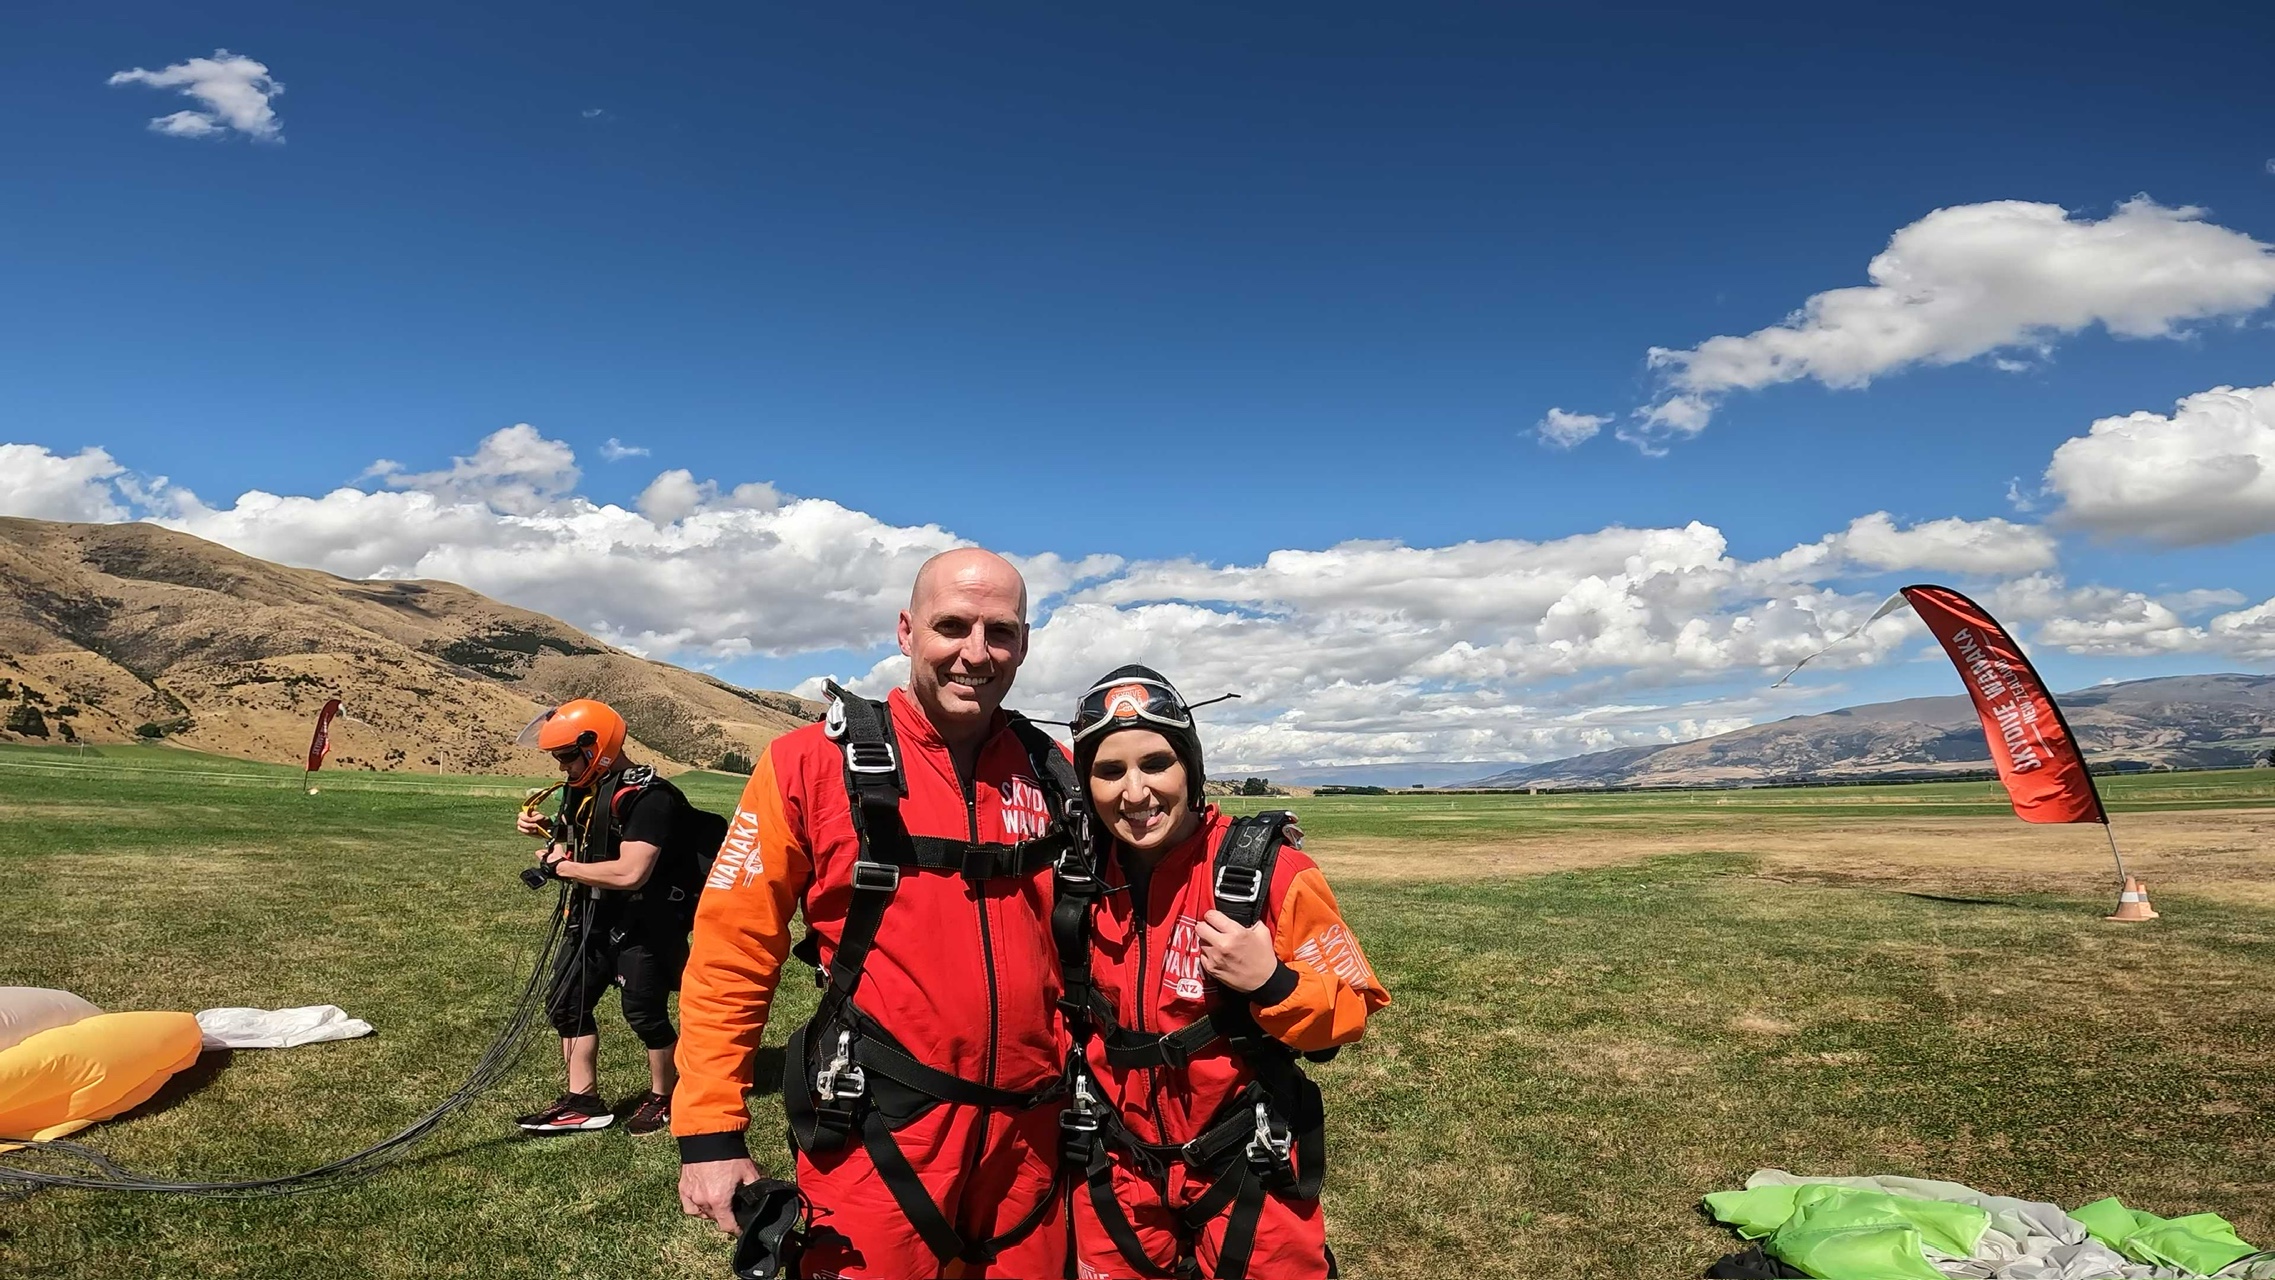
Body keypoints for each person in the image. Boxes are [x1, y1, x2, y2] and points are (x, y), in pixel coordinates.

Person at [674, 548, 1078, 1279]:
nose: (975, 653)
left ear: (1024, 643)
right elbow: (732, 950)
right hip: (881, 1135)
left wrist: (1249, 855)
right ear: (905, 631)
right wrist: (709, 1131)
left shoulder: (1053, 773)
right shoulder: (809, 764)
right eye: (951, 625)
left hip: (1033, 1143)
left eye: (1001, 632)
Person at [1060, 665, 1388, 1280]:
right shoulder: (1076, 882)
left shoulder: (1272, 874)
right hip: (1114, 1166)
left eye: (1156, 763)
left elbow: (1349, 1014)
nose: (1135, 793)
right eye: (1109, 771)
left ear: (1191, 766)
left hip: (1244, 1164)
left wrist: (1272, 983)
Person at [513, 697, 715, 1137]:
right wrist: (550, 833)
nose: (562, 767)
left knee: (643, 1012)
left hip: (647, 921)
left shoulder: (651, 797)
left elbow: (631, 871)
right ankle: (582, 1101)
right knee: (567, 1004)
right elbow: (572, 842)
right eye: (558, 758)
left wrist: (562, 869)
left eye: (567, 756)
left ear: (596, 747)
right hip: (591, 914)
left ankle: (665, 1096)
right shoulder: (580, 789)